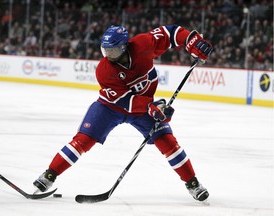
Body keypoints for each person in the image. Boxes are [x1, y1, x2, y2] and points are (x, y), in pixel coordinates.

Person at [33, 24, 213, 202]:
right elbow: (125, 101)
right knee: (83, 140)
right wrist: (152, 107)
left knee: (168, 142)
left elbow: (170, 33)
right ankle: (49, 175)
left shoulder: (143, 44)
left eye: (112, 51)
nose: (107, 55)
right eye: (105, 51)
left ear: (123, 47)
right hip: (109, 108)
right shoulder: (104, 71)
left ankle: (193, 183)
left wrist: (192, 40)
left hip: (144, 108)